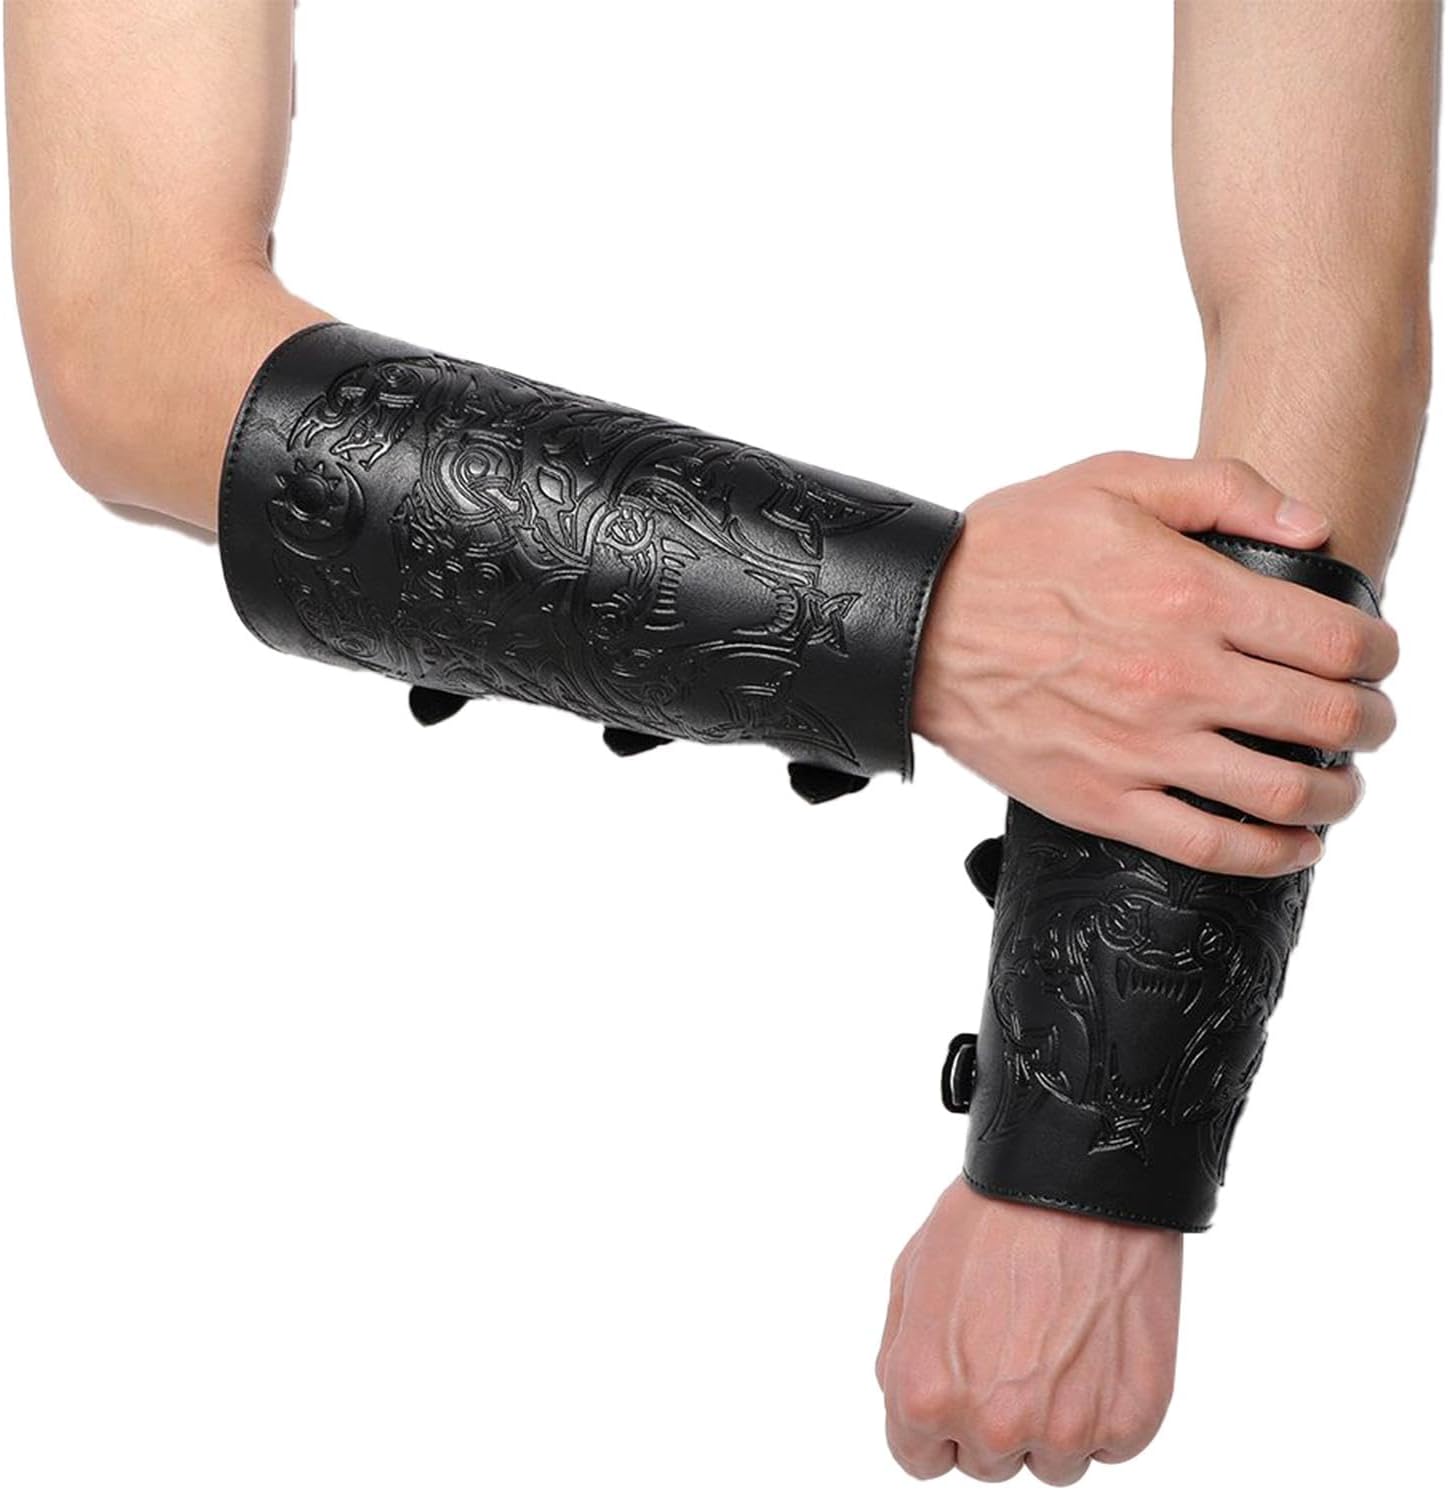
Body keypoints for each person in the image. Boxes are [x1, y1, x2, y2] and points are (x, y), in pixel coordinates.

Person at [5, 1, 1433, 1482]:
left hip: (1023, 1056)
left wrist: (1094, 1140)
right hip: (330, 1019)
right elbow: (131, 337)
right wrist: (939, 622)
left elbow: (1326, 302)